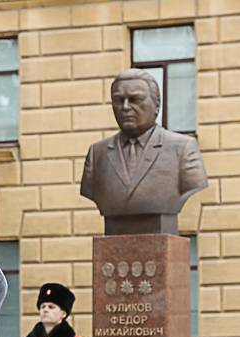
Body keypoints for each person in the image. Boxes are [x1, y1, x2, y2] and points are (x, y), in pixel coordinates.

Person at [79, 68, 208, 232]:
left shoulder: (183, 149)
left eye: (135, 100)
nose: (125, 107)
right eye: (119, 100)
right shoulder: (98, 153)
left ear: (156, 105)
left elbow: (193, 184)